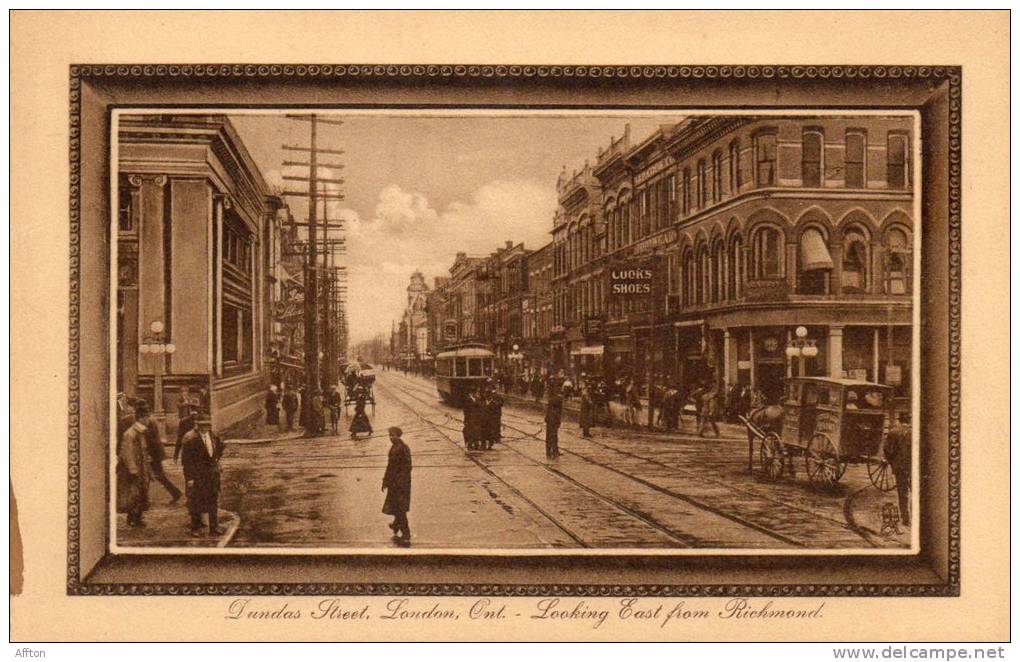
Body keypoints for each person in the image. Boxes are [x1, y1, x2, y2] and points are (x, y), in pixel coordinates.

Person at [180, 416, 225, 537]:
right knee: (196, 501)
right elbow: (186, 461)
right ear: (197, 425)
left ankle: (214, 527)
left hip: (212, 474)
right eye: (202, 425)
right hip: (198, 475)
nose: (205, 428)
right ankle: (195, 528)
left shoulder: (214, 436)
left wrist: (216, 460)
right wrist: (189, 478)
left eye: (207, 425)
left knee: (213, 499)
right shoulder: (190, 439)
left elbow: (220, 447)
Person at [117, 400, 152, 527]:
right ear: (141, 419)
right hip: (134, 470)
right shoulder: (130, 434)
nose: (148, 420)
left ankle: (136, 517)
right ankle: (133, 518)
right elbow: (127, 453)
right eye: (147, 417)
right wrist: (132, 469)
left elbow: (143, 452)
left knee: (141, 492)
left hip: (141, 468)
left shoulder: (140, 432)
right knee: (133, 494)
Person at [142, 405, 182, 504]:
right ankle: (175, 493)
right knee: (155, 475)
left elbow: (151, 439)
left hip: (153, 453)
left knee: (155, 475)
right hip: (155, 452)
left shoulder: (149, 422)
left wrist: (149, 453)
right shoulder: (151, 420)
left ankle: (175, 493)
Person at [382, 426, 412, 544]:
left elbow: (407, 466)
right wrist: (386, 481)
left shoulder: (401, 448)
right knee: (396, 505)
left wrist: (399, 480)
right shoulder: (395, 447)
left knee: (400, 508)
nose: (391, 438)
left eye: (392, 435)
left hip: (400, 484)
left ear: (398, 436)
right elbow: (390, 467)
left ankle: (406, 533)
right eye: (390, 436)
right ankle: (396, 525)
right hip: (395, 483)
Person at [544, 390, 563, 459]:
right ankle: (554, 452)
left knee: (549, 436)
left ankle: (549, 452)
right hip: (554, 421)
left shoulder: (551, 400)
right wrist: (558, 422)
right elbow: (558, 413)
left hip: (549, 420)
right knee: (554, 436)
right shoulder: (559, 401)